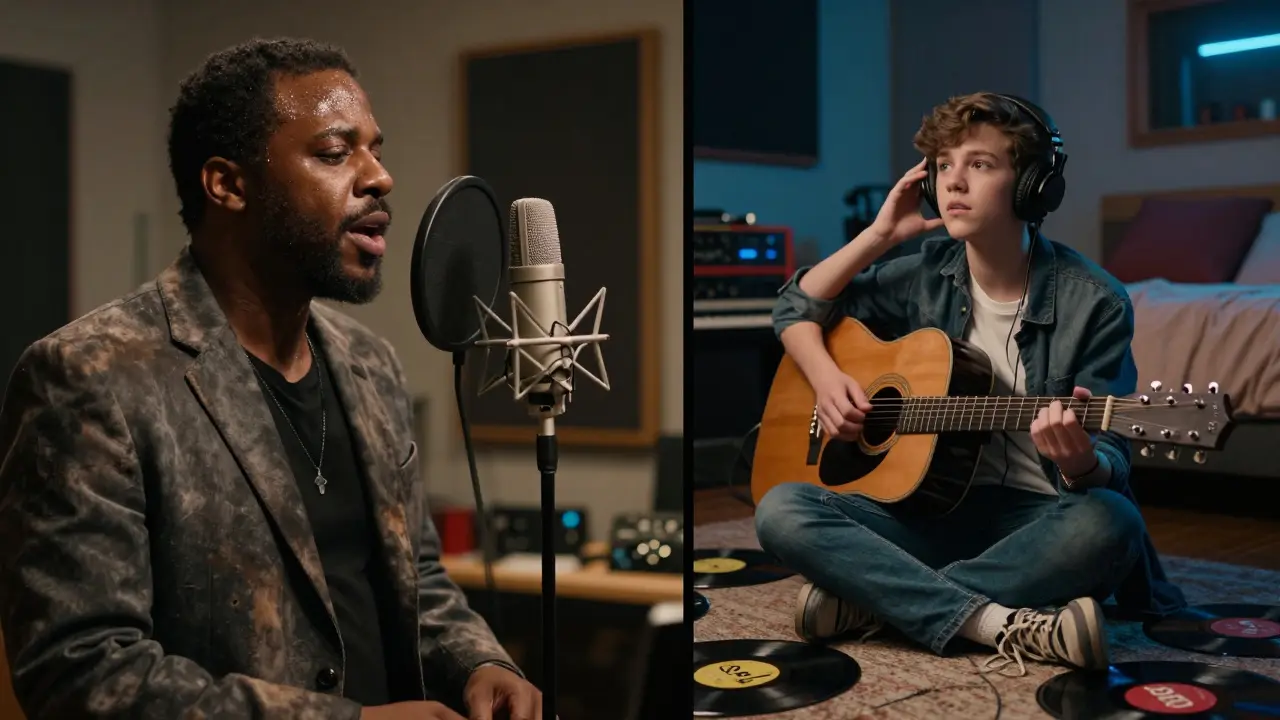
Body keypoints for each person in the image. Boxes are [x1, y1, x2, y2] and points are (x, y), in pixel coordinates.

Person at [0, 38, 542, 719]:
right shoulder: (90, 376)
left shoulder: (372, 367)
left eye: (376, 149)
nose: (379, 177)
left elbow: (419, 580)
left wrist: (478, 661)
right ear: (227, 183)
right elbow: (78, 672)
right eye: (335, 153)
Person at [754, 92, 1187, 677]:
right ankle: (997, 622)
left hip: (1035, 524)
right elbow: (794, 308)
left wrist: (1081, 462)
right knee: (782, 507)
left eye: (980, 165)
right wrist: (878, 242)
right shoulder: (921, 274)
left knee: (1110, 521)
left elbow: (1109, 461)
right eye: (943, 166)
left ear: (1034, 185)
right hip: (925, 512)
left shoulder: (1096, 301)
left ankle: (876, 601)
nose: (953, 182)